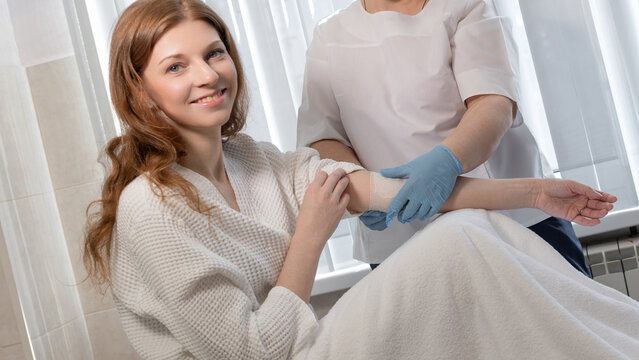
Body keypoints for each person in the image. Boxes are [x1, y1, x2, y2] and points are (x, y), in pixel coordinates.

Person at [83, 0, 639, 359]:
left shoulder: (261, 164)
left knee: (469, 234)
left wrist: (534, 191)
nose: (207, 75)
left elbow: (395, 187)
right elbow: (252, 354)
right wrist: (311, 233)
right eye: (176, 67)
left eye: (215, 53)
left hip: (305, 347)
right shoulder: (152, 208)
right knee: (462, 242)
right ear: (139, 91)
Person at [296, 0, 591, 276]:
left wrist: (447, 161)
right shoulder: (328, 36)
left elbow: (493, 103)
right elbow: (322, 138)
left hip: (514, 220)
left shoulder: (464, 5)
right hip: (400, 243)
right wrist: (367, 191)